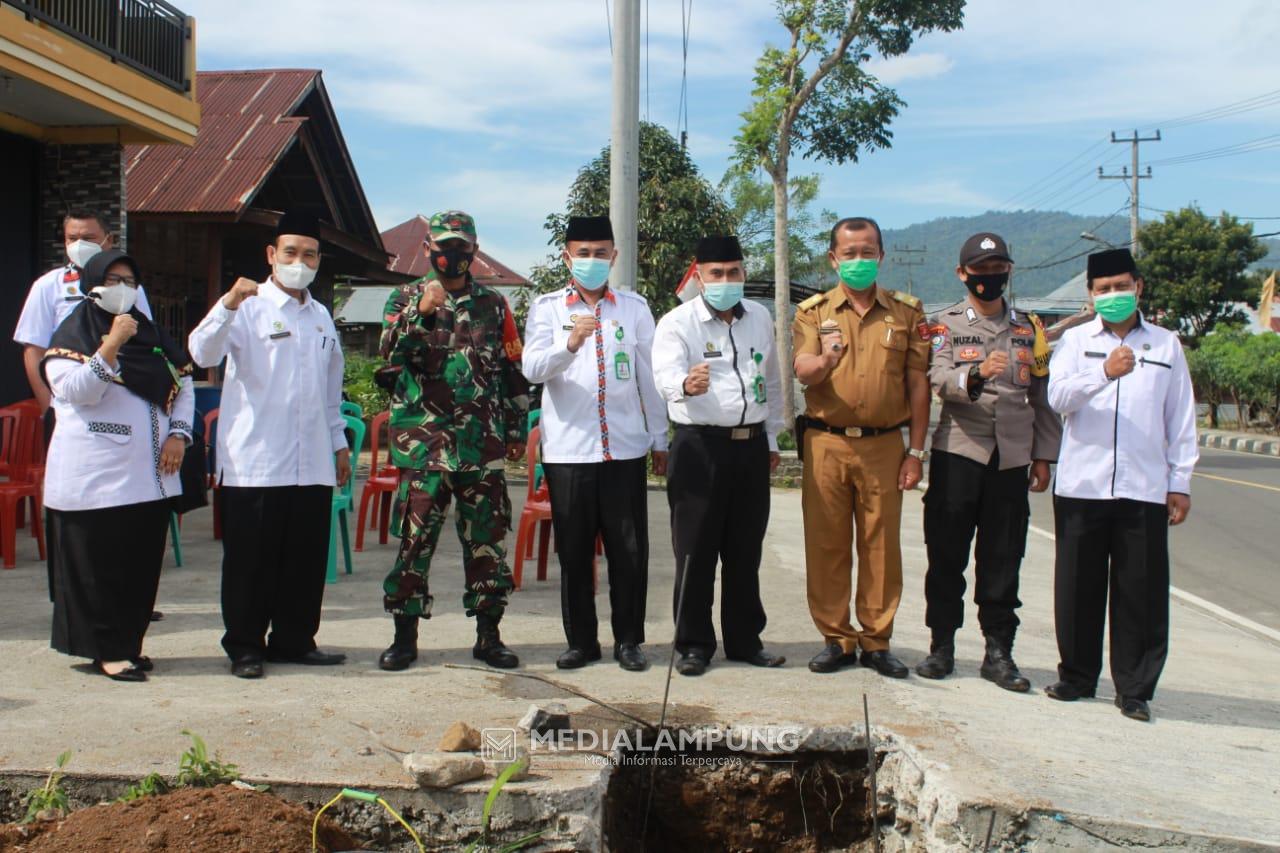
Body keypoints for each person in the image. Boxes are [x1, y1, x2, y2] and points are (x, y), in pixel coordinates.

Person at [188, 211, 351, 679]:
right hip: (256, 460)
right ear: (271, 256)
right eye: (291, 253)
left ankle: (295, 640)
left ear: (319, 260)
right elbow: (201, 353)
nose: (299, 262)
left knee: (303, 559)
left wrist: (338, 443)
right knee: (250, 561)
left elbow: (330, 388)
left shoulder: (320, 315)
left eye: (309, 255)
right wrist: (228, 303)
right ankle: (244, 646)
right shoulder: (249, 306)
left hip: (312, 460)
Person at [1045, 248, 1197, 722]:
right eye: (1103, 289)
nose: (1113, 295)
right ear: (1090, 296)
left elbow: (1182, 418)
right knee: (1077, 587)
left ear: (1139, 287)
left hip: (1144, 487)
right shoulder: (1074, 342)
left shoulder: (1166, 345)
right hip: (1082, 485)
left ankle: (1134, 687)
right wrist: (1103, 372)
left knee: (1141, 591)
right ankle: (1076, 677)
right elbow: (1058, 398)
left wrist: (1180, 481)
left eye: (1121, 286)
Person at [377, 211, 528, 672]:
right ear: (428, 248)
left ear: (474, 249)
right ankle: (405, 637)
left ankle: (489, 635)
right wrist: (421, 313)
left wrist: (517, 430)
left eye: (463, 246)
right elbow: (388, 357)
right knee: (413, 543)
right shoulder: (404, 296)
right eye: (445, 245)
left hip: (481, 446)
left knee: (487, 542)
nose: (453, 254)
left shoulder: (495, 305)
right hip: (424, 447)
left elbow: (510, 369)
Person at [520, 215, 667, 671]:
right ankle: (582, 642)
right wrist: (570, 345)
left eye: (600, 252)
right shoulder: (547, 308)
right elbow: (531, 368)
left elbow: (649, 376)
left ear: (614, 257)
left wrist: (659, 437)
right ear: (567, 257)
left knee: (629, 550)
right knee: (576, 551)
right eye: (582, 252)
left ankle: (629, 641)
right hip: (569, 452)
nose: (592, 260)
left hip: (624, 449)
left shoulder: (634, 308)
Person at [916, 233, 1062, 690]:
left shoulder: (1028, 328)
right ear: (963, 274)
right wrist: (975, 373)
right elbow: (937, 378)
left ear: (1009, 271)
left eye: (998, 267)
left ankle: (999, 652)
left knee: (1003, 557)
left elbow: (1041, 394)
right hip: (959, 450)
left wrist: (1043, 456)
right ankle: (941, 646)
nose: (989, 277)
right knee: (946, 555)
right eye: (980, 270)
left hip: (1012, 458)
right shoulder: (942, 325)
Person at [40, 249, 193, 682]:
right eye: (113, 279)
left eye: (130, 280)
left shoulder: (151, 335)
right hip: (95, 476)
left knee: (139, 568)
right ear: (92, 286)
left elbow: (183, 384)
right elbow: (76, 391)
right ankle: (105, 651)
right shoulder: (73, 334)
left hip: (150, 475)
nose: (123, 288)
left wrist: (180, 433)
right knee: (97, 570)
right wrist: (111, 344)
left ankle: (129, 644)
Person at [792, 217, 930, 679]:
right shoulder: (813, 312)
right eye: (849, 253)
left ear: (881, 256)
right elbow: (803, 370)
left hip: (884, 446)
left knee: (881, 546)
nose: (858, 261)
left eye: (867, 252)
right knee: (827, 544)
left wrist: (917, 452)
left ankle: (876, 640)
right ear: (833, 259)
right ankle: (836, 638)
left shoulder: (908, 314)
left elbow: (918, 385)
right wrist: (829, 357)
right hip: (826, 443)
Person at [651, 235, 785, 676]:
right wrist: (685, 385)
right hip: (699, 447)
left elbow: (773, 378)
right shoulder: (677, 323)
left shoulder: (760, 317)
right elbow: (664, 375)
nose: (726, 281)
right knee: (695, 550)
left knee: (745, 550)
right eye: (716, 274)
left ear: (743, 272)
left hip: (749, 447)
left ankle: (746, 640)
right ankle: (693, 644)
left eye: (734, 273)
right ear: (700, 274)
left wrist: (772, 438)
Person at [16, 210, 154, 413]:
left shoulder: (131, 287)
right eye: (72, 238)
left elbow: (148, 341)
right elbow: (34, 350)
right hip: (69, 400)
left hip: (121, 398)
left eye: (89, 238)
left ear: (108, 241)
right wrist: (50, 407)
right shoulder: (47, 286)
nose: (79, 245)